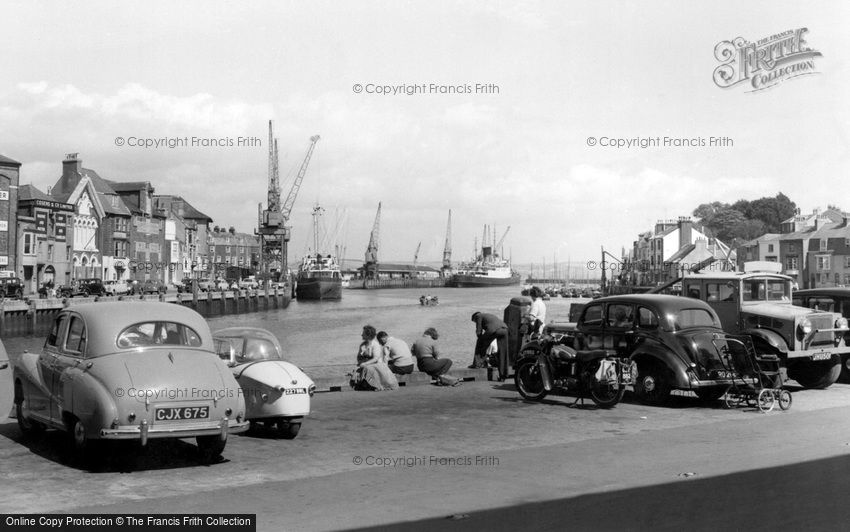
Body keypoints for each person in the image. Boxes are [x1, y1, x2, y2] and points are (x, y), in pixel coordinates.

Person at [352, 325, 398, 391]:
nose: (361, 335)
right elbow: (359, 357)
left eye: (363, 333)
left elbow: (376, 358)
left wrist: (365, 363)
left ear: (368, 335)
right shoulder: (362, 345)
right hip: (365, 364)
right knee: (357, 370)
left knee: (368, 368)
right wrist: (360, 362)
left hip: (377, 365)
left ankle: (374, 385)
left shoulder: (375, 344)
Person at [470, 311, 510, 380]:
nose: (475, 322)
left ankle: (477, 364)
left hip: (494, 330)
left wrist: (480, 338)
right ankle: (503, 375)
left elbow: (479, 331)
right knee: (503, 353)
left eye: (474, 321)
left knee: (480, 342)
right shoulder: (488, 315)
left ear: (474, 317)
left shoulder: (478, 316)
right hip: (505, 329)